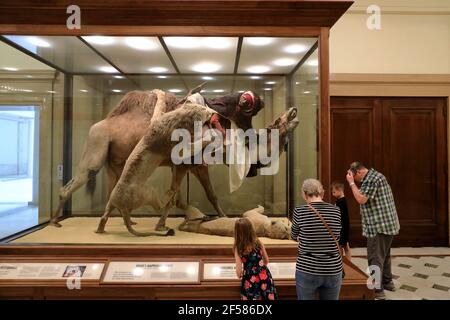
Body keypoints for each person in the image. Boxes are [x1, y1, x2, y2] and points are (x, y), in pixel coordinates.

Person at [346, 161, 400, 300]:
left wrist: (351, 183)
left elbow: (361, 199)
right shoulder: (377, 175)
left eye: (353, 175)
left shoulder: (371, 179)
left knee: (375, 258)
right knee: (384, 256)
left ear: (358, 172)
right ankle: (388, 282)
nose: (355, 179)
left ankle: (377, 289)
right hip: (388, 224)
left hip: (378, 226)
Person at [291, 179, 343, 300]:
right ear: (322, 192)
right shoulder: (336, 211)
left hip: (307, 268)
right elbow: (337, 237)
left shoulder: (299, 211)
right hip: (332, 268)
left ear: (304, 194)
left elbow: (293, 235)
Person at [233, 217, 278, 300]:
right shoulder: (258, 242)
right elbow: (266, 260)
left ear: (237, 232)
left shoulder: (238, 247)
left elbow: (238, 273)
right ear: (251, 229)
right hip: (264, 276)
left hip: (250, 280)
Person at [331, 181, 352, 260]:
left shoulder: (342, 201)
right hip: (342, 226)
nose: (332, 194)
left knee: (342, 245)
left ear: (340, 190)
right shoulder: (340, 201)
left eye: (334, 192)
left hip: (343, 226)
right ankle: (344, 260)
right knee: (343, 244)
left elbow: (340, 215)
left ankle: (344, 261)